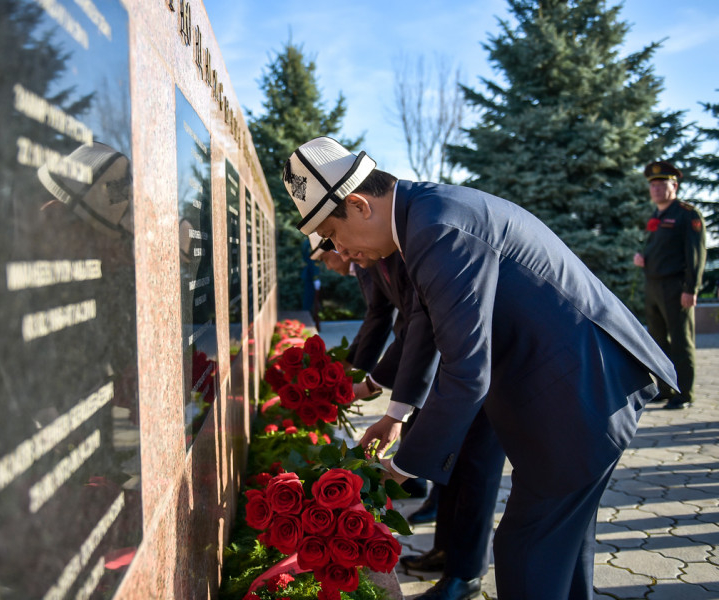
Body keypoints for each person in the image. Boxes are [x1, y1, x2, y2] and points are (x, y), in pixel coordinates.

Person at [282, 137, 677, 600]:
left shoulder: (436, 227)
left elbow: (467, 370)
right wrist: (397, 414)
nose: (340, 250)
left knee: (527, 551)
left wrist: (405, 466)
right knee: (559, 550)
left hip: (580, 392)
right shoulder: (421, 217)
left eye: (332, 234)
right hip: (570, 390)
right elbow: (427, 325)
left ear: (358, 204)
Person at [311, 235, 506, 599]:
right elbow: (401, 325)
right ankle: (448, 554)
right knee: (453, 466)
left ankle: (466, 573)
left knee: (474, 469)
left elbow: (420, 328)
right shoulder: (379, 256)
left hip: (483, 370)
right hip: (448, 369)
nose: (345, 254)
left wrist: (378, 394)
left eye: (340, 241)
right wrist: (370, 385)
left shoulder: (412, 249)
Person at [633, 161, 706, 410]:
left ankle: (684, 394)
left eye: (661, 184)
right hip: (653, 286)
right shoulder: (657, 215)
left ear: (674, 185)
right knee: (658, 341)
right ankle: (665, 389)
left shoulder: (687, 214)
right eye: (652, 185)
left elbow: (696, 255)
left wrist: (691, 288)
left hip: (676, 288)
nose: (655, 189)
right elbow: (660, 248)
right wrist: (644, 258)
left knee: (680, 341)